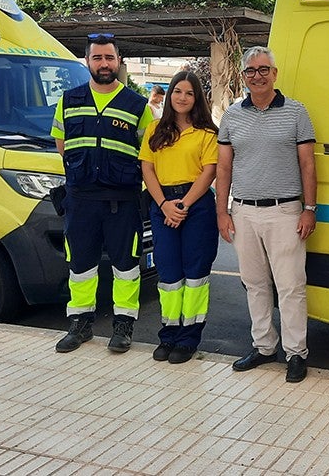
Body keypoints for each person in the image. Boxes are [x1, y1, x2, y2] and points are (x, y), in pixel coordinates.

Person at [215, 46, 317, 384]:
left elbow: (307, 165)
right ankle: (263, 346)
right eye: (250, 71)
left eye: (263, 69)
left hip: (285, 211)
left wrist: (309, 208)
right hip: (243, 211)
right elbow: (224, 168)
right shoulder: (232, 116)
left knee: (290, 286)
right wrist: (223, 212)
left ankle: (296, 353)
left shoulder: (296, 112)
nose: (257, 76)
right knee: (254, 283)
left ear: (274, 74)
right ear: (243, 77)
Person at [52, 33, 152, 354]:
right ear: (88, 62)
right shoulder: (69, 100)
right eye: (98, 58)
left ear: (118, 61)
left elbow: (148, 153)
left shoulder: (137, 106)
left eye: (110, 58)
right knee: (80, 265)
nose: (104, 64)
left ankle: (123, 326)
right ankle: (80, 324)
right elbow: (61, 143)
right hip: (81, 200)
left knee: (126, 266)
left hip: (121, 202)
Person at [139, 71, 219, 364]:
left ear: (196, 98)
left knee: (195, 273)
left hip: (195, 204)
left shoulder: (207, 133)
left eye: (189, 93)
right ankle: (169, 334)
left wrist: (182, 206)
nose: (182, 97)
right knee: (169, 272)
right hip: (162, 204)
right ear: (170, 95)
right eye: (177, 91)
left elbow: (209, 172)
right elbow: (147, 169)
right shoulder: (154, 129)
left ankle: (188, 339)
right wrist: (164, 205)